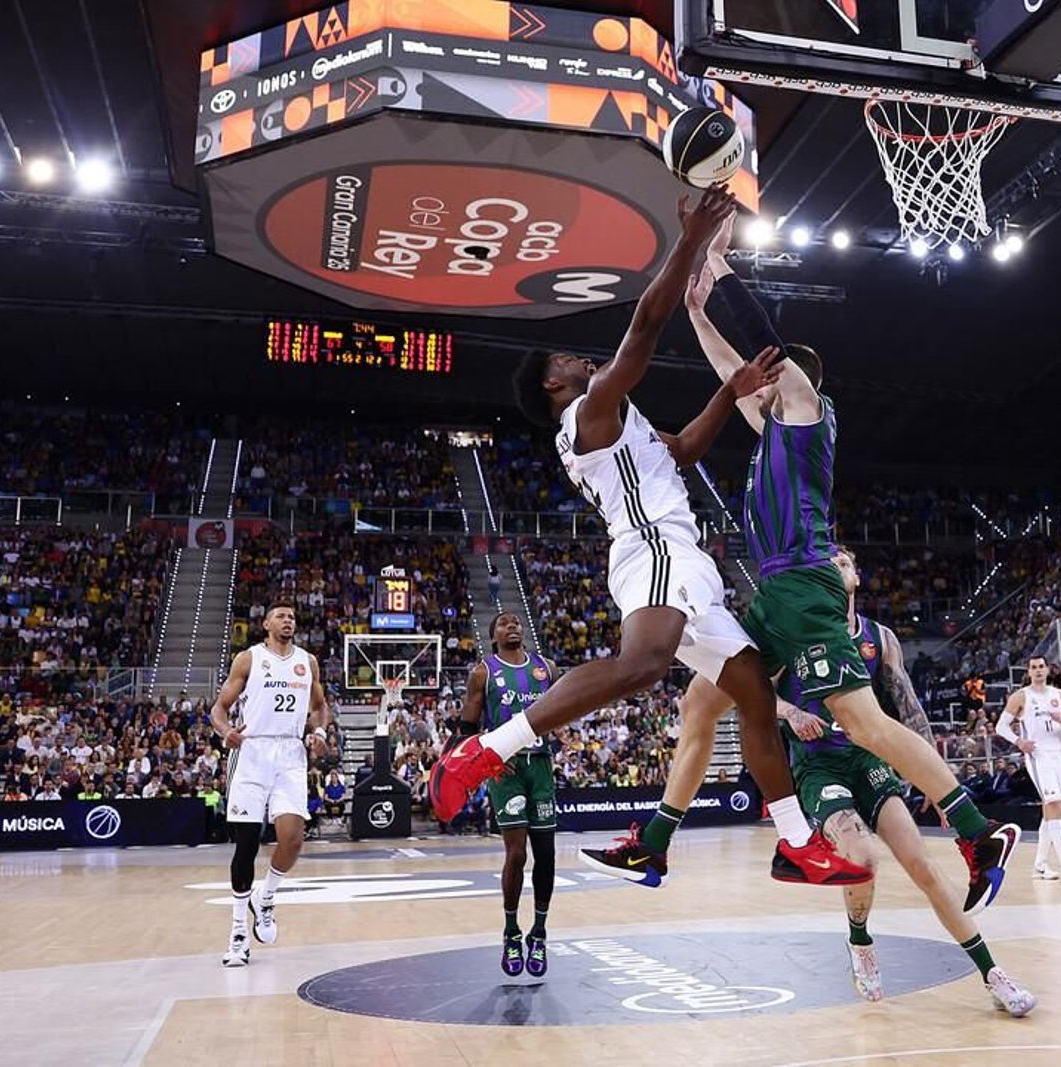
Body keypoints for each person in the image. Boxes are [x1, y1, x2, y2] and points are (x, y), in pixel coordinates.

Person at [431, 185, 863, 887]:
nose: (580, 358)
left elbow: (685, 448)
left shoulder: (620, 424)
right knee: (641, 666)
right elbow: (646, 323)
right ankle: (485, 747)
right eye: (567, 359)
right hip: (654, 550)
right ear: (553, 383)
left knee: (753, 691)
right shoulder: (590, 413)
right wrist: (689, 241)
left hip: (683, 562)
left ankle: (794, 842)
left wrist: (732, 389)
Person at [635, 217, 1019, 916]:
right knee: (700, 699)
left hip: (804, 585)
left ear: (794, 378)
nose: (758, 386)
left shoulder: (809, 411)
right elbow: (734, 371)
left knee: (865, 723)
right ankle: (655, 841)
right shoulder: (774, 428)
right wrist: (694, 312)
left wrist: (718, 268)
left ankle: (976, 831)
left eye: (771, 376)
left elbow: (761, 352)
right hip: (775, 594)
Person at [771, 548, 1036, 1014]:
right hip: (819, 767)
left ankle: (992, 973)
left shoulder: (880, 638)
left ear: (858, 576)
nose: (836, 567)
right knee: (862, 857)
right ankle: (860, 941)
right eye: (826, 562)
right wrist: (790, 712)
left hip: (870, 761)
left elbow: (911, 713)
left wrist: (938, 785)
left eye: (844, 562)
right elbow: (752, 696)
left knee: (923, 866)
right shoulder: (795, 632)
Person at [209, 601, 330, 968]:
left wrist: (320, 730)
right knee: (246, 844)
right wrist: (226, 731)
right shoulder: (248, 659)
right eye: (280, 615)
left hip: (291, 752)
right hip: (252, 750)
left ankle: (265, 897)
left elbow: (320, 705)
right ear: (266, 624)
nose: (288, 620)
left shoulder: (307, 662)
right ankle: (238, 933)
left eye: (292, 616)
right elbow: (218, 709)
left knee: (293, 839)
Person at [457, 613, 561, 978]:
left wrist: (555, 743)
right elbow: (467, 729)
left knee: (546, 856)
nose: (513, 625)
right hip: (506, 772)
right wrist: (489, 760)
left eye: (517, 621)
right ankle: (512, 931)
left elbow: (560, 712)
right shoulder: (483, 673)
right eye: (502, 622)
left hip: (540, 767)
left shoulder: (546, 667)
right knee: (516, 855)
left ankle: (540, 933)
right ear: (493, 635)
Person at [995, 655, 1061, 883]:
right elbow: (1000, 726)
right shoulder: (1021, 696)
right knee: (1054, 805)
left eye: (1041, 666)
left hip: (1057, 753)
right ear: (1029, 671)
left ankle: (1040, 865)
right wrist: (1018, 742)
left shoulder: (1059, 695)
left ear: (1047, 669)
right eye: (1033, 667)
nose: (1038, 670)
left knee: (1052, 807)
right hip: (1037, 755)